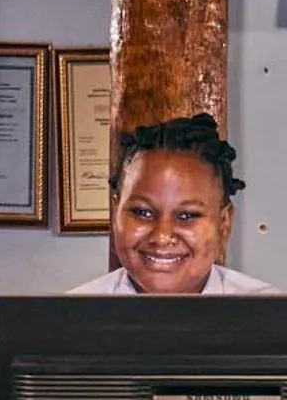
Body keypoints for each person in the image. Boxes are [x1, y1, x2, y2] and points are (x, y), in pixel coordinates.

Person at [68, 113, 274, 295]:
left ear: (224, 224)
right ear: (115, 213)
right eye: (142, 212)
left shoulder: (270, 320)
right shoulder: (69, 321)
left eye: (186, 216)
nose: (162, 237)